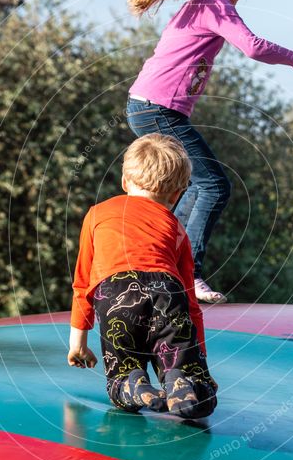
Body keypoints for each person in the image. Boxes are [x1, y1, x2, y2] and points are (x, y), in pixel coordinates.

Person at [126, 0, 293, 304]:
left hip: (146, 105)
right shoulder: (215, 5)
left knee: (196, 186)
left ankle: (167, 262)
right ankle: (188, 272)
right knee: (213, 186)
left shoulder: (194, 5)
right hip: (158, 108)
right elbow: (252, 46)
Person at [67, 133, 218, 419]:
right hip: (166, 292)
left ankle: (131, 384)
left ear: (124, 181)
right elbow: (190, 301)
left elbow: (82, 284)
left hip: (114, 296)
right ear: (176, 195)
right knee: (201, 395)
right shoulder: (177, 229)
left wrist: (78, 344)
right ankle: (181, 380)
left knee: (121, 377)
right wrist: (200, 361)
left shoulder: (96, 214)